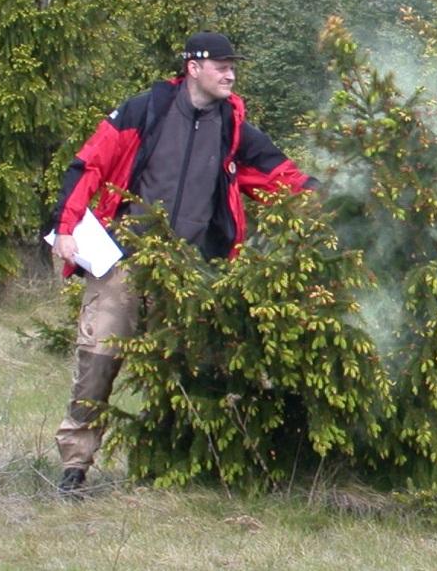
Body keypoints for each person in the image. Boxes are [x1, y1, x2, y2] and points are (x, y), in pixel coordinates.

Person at [48, 31, 318, 497]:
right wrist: (67, 227)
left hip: (192, 268)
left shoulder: (232, 127)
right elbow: (88, 163)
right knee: (99, 359)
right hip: (125, 261)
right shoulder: (145, 111)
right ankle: (75, 466)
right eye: (222, 65)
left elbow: (280, 177)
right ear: (193, 67)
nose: (231, 74)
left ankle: (177, 464)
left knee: (195, 365)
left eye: (234, 66)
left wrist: (331, 201)